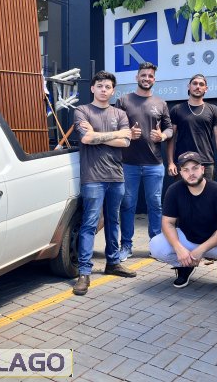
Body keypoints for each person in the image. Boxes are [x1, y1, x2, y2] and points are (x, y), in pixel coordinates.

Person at [72, 70, 137, 296]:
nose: (103, 89)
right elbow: (86, 138)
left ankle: (113, 263)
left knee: (113, 221)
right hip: (93, 177)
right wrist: (115, 134)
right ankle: (84, 272)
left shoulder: (120, 113)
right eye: (99, 85)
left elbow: (126, 142)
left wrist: (99, 135)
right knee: (89, 223)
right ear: (92, 88)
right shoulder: (82, 111)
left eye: (107, 86)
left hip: (116, 176)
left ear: (113, 91)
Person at [115, 62, 173, 262]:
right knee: (127, 205)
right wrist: (127, 133)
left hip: (154, 164)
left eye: (150, 76)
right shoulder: (123, 100)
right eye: (143, 75)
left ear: (154, 79)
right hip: (128, 163)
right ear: (137, 77)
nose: (146, 78)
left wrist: (163, 136)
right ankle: (126, 246)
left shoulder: (161, 103)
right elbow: (115, 127)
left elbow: (169, 129)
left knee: (155, 205)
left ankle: (155, 246)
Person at [150, 151, 217, 288]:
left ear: (202, 169)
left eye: (195, 168)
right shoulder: (174, 190)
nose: (191, 173)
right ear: (181, 173)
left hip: (214, 242)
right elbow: (167, 223)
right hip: (187, 240)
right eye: (186, 170)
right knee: (156, 245)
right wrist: (179, 248)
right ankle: (185, 265)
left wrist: (201, 250)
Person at [167, 74, 217, 181]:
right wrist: (170, 162)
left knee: (206, 192)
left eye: (201, 84)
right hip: (182, 162)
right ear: (189, 86)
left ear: (206, 88)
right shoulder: (177, 109)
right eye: (194, 83)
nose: (198, 87)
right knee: (182, 192)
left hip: (206, 162)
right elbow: (171, 138)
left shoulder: (213, 109)